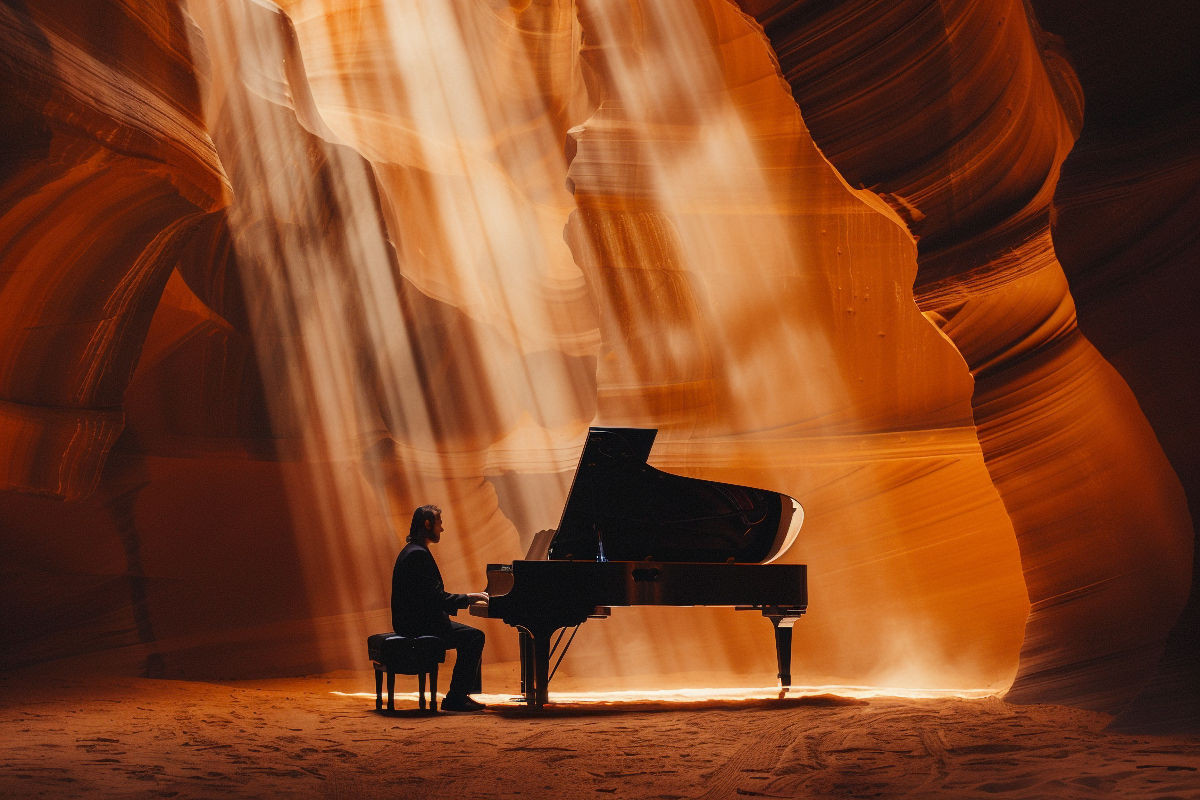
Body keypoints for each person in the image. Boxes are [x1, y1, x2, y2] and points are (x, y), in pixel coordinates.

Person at [391, 504, 489, 712]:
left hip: (414, 620)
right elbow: (436, 599)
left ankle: (460, 695)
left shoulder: (411, 550)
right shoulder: (418, 554)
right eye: (439, 523)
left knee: (470, 635)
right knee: (474, 637)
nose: (442, 529)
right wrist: (468, 598)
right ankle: (456, 698)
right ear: (427, 524)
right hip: (418, 625)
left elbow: (429, 597)